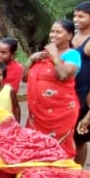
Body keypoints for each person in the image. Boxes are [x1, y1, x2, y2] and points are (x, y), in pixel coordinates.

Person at [26, 19, 80, 157]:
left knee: (58, 151)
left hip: (60, 113)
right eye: (52, 31)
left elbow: (63, 75)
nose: (53, 35)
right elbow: (25, 78)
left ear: (69, 35)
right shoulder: (43, 55)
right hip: (37, 114)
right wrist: (31, 59)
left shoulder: (73, 55)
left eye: (58, 32)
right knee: (35, 149)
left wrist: (55, 56)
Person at [71, 2, 90, 165]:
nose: (76, 19)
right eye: (75, 15)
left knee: (79, 137)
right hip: (66, 92)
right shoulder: (71, 36)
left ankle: (78, 174)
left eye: (81, 16)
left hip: (84, 94)